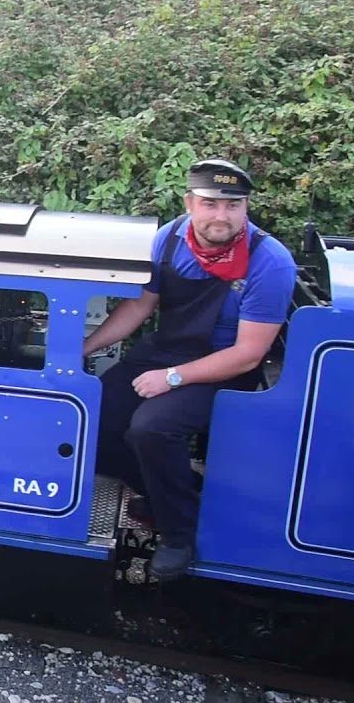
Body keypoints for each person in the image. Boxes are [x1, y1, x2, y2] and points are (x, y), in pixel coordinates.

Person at [82, 158, 297, 581]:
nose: (222, 215)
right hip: (167, 351)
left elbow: (249, 354)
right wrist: (83, 348)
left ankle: (180, 532)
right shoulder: (169, 240)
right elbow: (141, 307)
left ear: (246, 207)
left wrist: (173, 379)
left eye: (233, 205)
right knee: (95, 413)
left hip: (224, 368)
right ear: (190, 203)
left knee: (151, 428)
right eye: (211, 204)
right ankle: (165, 491)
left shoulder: (270, 262)